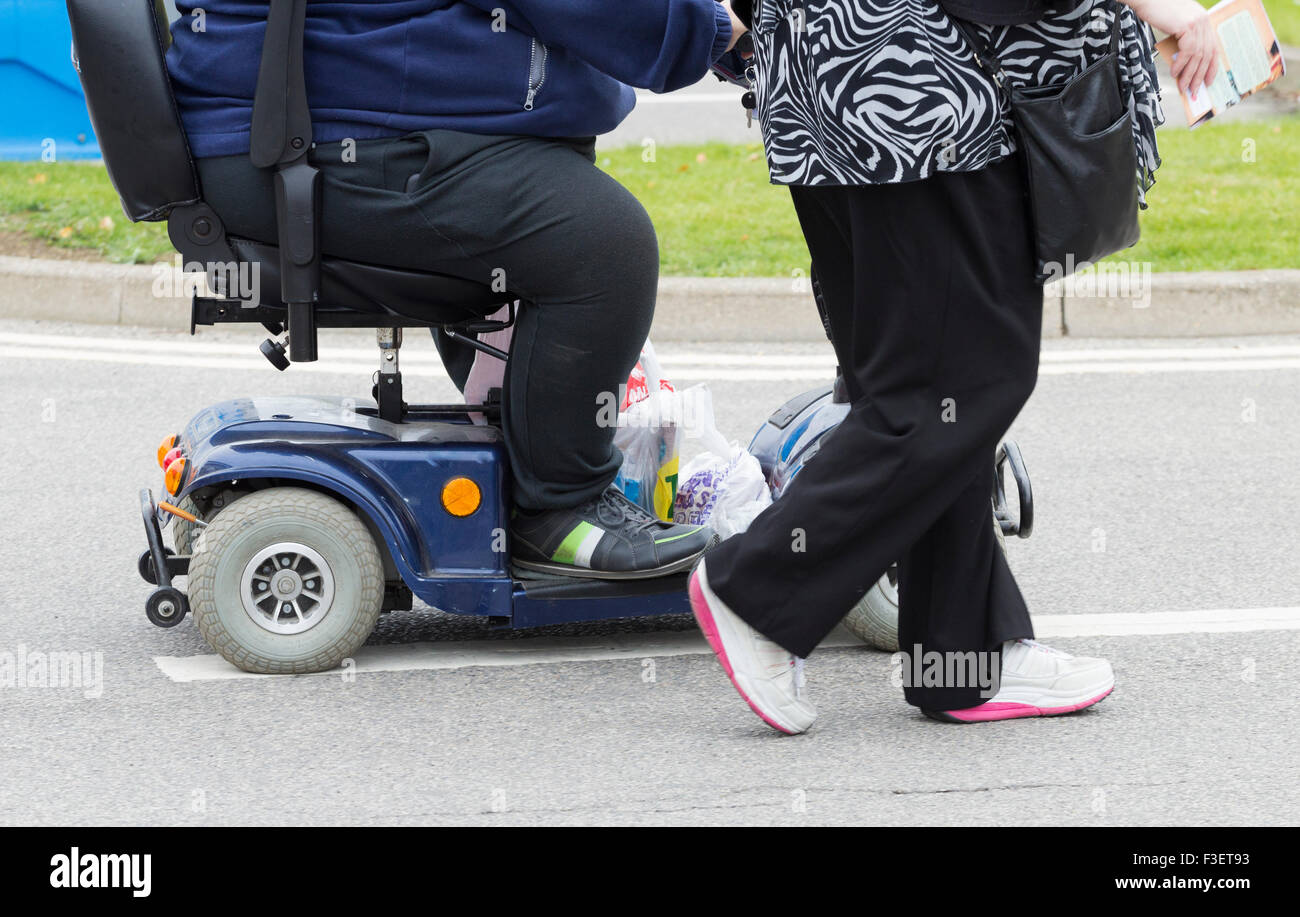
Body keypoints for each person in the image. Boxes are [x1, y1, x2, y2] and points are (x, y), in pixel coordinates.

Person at [690, 0, 1220, 733]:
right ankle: (757, 590)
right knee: (960, 382)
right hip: (926, 89)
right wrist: (1175, 12)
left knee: (915, 386)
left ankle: (962, 659)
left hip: (828, 82)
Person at [165, 0, 745, 579]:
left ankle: (530, 458)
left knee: (542, 201)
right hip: (294, 145)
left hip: (286, 130)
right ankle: (560, 509)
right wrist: (715, 31)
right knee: (602, 242)